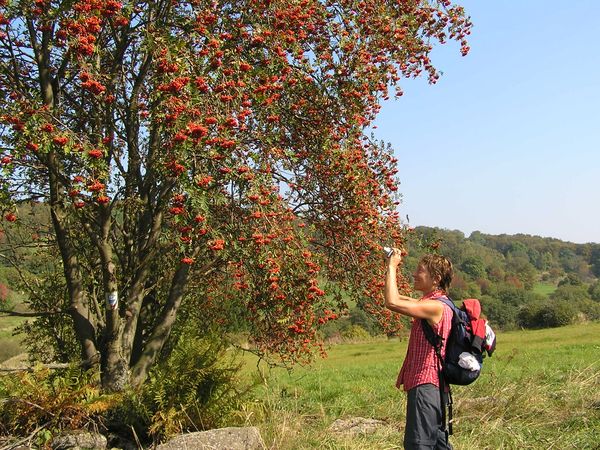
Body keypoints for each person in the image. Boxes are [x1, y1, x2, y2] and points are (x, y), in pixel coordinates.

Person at [384, 250, 454, 450]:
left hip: (426, 385)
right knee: (438, 445)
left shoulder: (436, 307)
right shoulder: (431, 304)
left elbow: (392, 303)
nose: (414, 274)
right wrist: (388, 266)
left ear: (436, 278)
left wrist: (392, 267)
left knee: (418, 445)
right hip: (434, 387)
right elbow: (395, 297)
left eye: (420, 270)